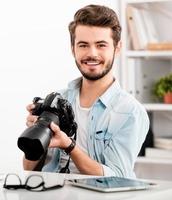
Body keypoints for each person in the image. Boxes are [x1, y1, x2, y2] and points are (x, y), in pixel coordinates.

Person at [23, 4, 149, 178]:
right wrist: (36, 137)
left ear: (117, 48)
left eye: (101, 45)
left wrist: (69, 146)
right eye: (83, 45)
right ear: (73, 49)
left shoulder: (131, 112)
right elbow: (29, 169)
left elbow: (117, 177)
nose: (92, 53)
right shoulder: (57, 101)